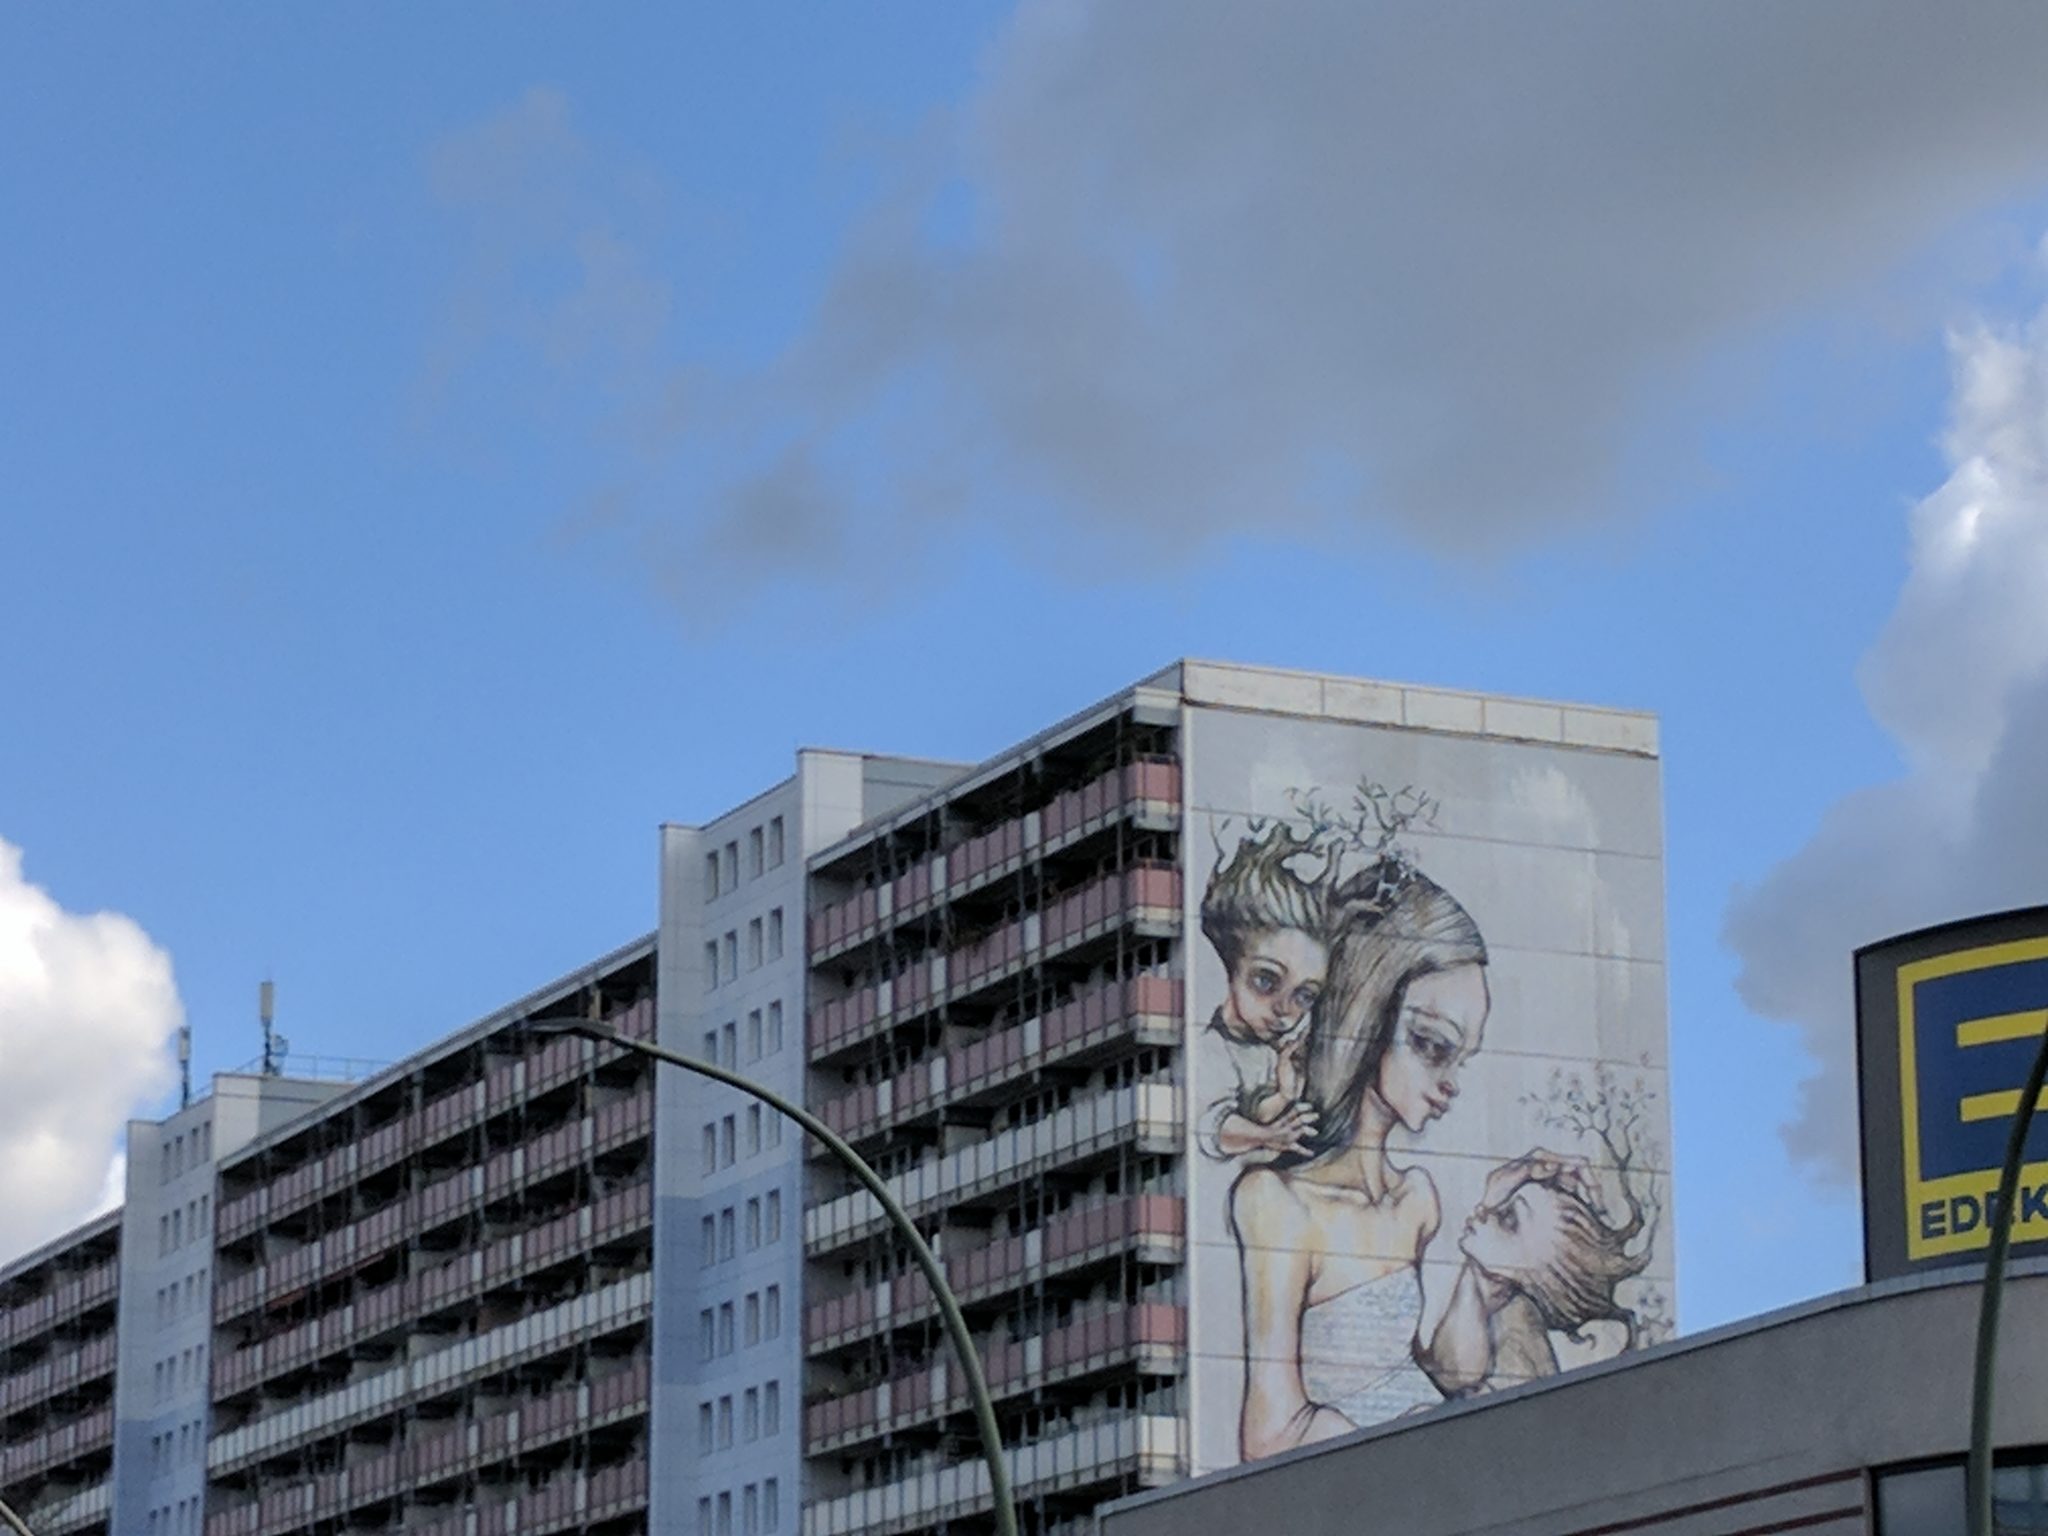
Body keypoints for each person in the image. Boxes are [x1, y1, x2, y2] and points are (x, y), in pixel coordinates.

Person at [1229, 863, 1489, 1458]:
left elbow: (1437, 1372)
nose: (1451, 1082)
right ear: (1365, 1015)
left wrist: (1488, 1276)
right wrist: (1411, 1436)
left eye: (1462, 1058)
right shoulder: (1277, 1204)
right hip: (1359, 1485)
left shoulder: (1417, 1199)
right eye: (1432, 1045)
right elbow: (1269, 1438)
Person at [1422, 1150, 1651, 1395]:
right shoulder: (1501, 1301)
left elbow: (1457, 1373)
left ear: (1542, 1274)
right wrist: (1491, 1200)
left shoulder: (1519, 1328)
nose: (1486, 1213)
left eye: (1508, 1218)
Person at [1195, 821, 1333, 1163]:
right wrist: (1269, 1137)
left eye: (1304, 996)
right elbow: (1213, 1129)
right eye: (1266, 981)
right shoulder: (1212, 1047)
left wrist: (1285, 1092)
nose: (1284, 1009)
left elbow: (1260, 1110)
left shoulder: (1272, 1051)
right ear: (1231, 967)